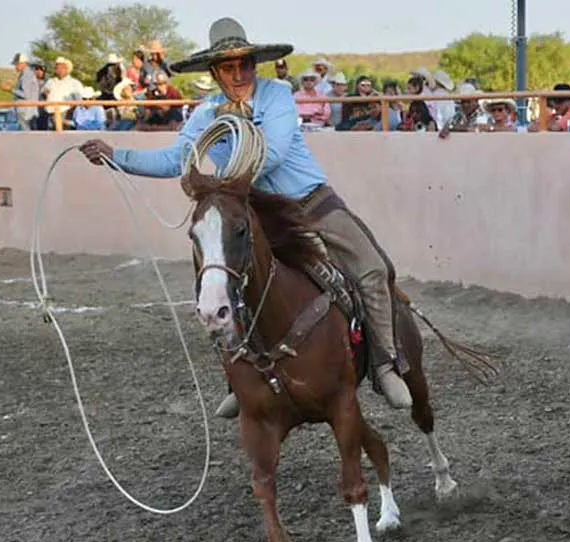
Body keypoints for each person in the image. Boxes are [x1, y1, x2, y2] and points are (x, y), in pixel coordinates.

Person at [77, 17, 414, 416]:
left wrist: (227, 173)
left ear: (254, 66)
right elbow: (176, 158)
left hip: (310, 202)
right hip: (258, 213)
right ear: (215, 73)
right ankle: (238, 379)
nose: (238, 75)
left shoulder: (277, 96)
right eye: (228, 67)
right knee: (225, 284)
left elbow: (272, 151)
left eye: (244, 65)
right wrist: (117, 157)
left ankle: (385, 363)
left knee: (373, 268)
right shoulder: (206, 115)